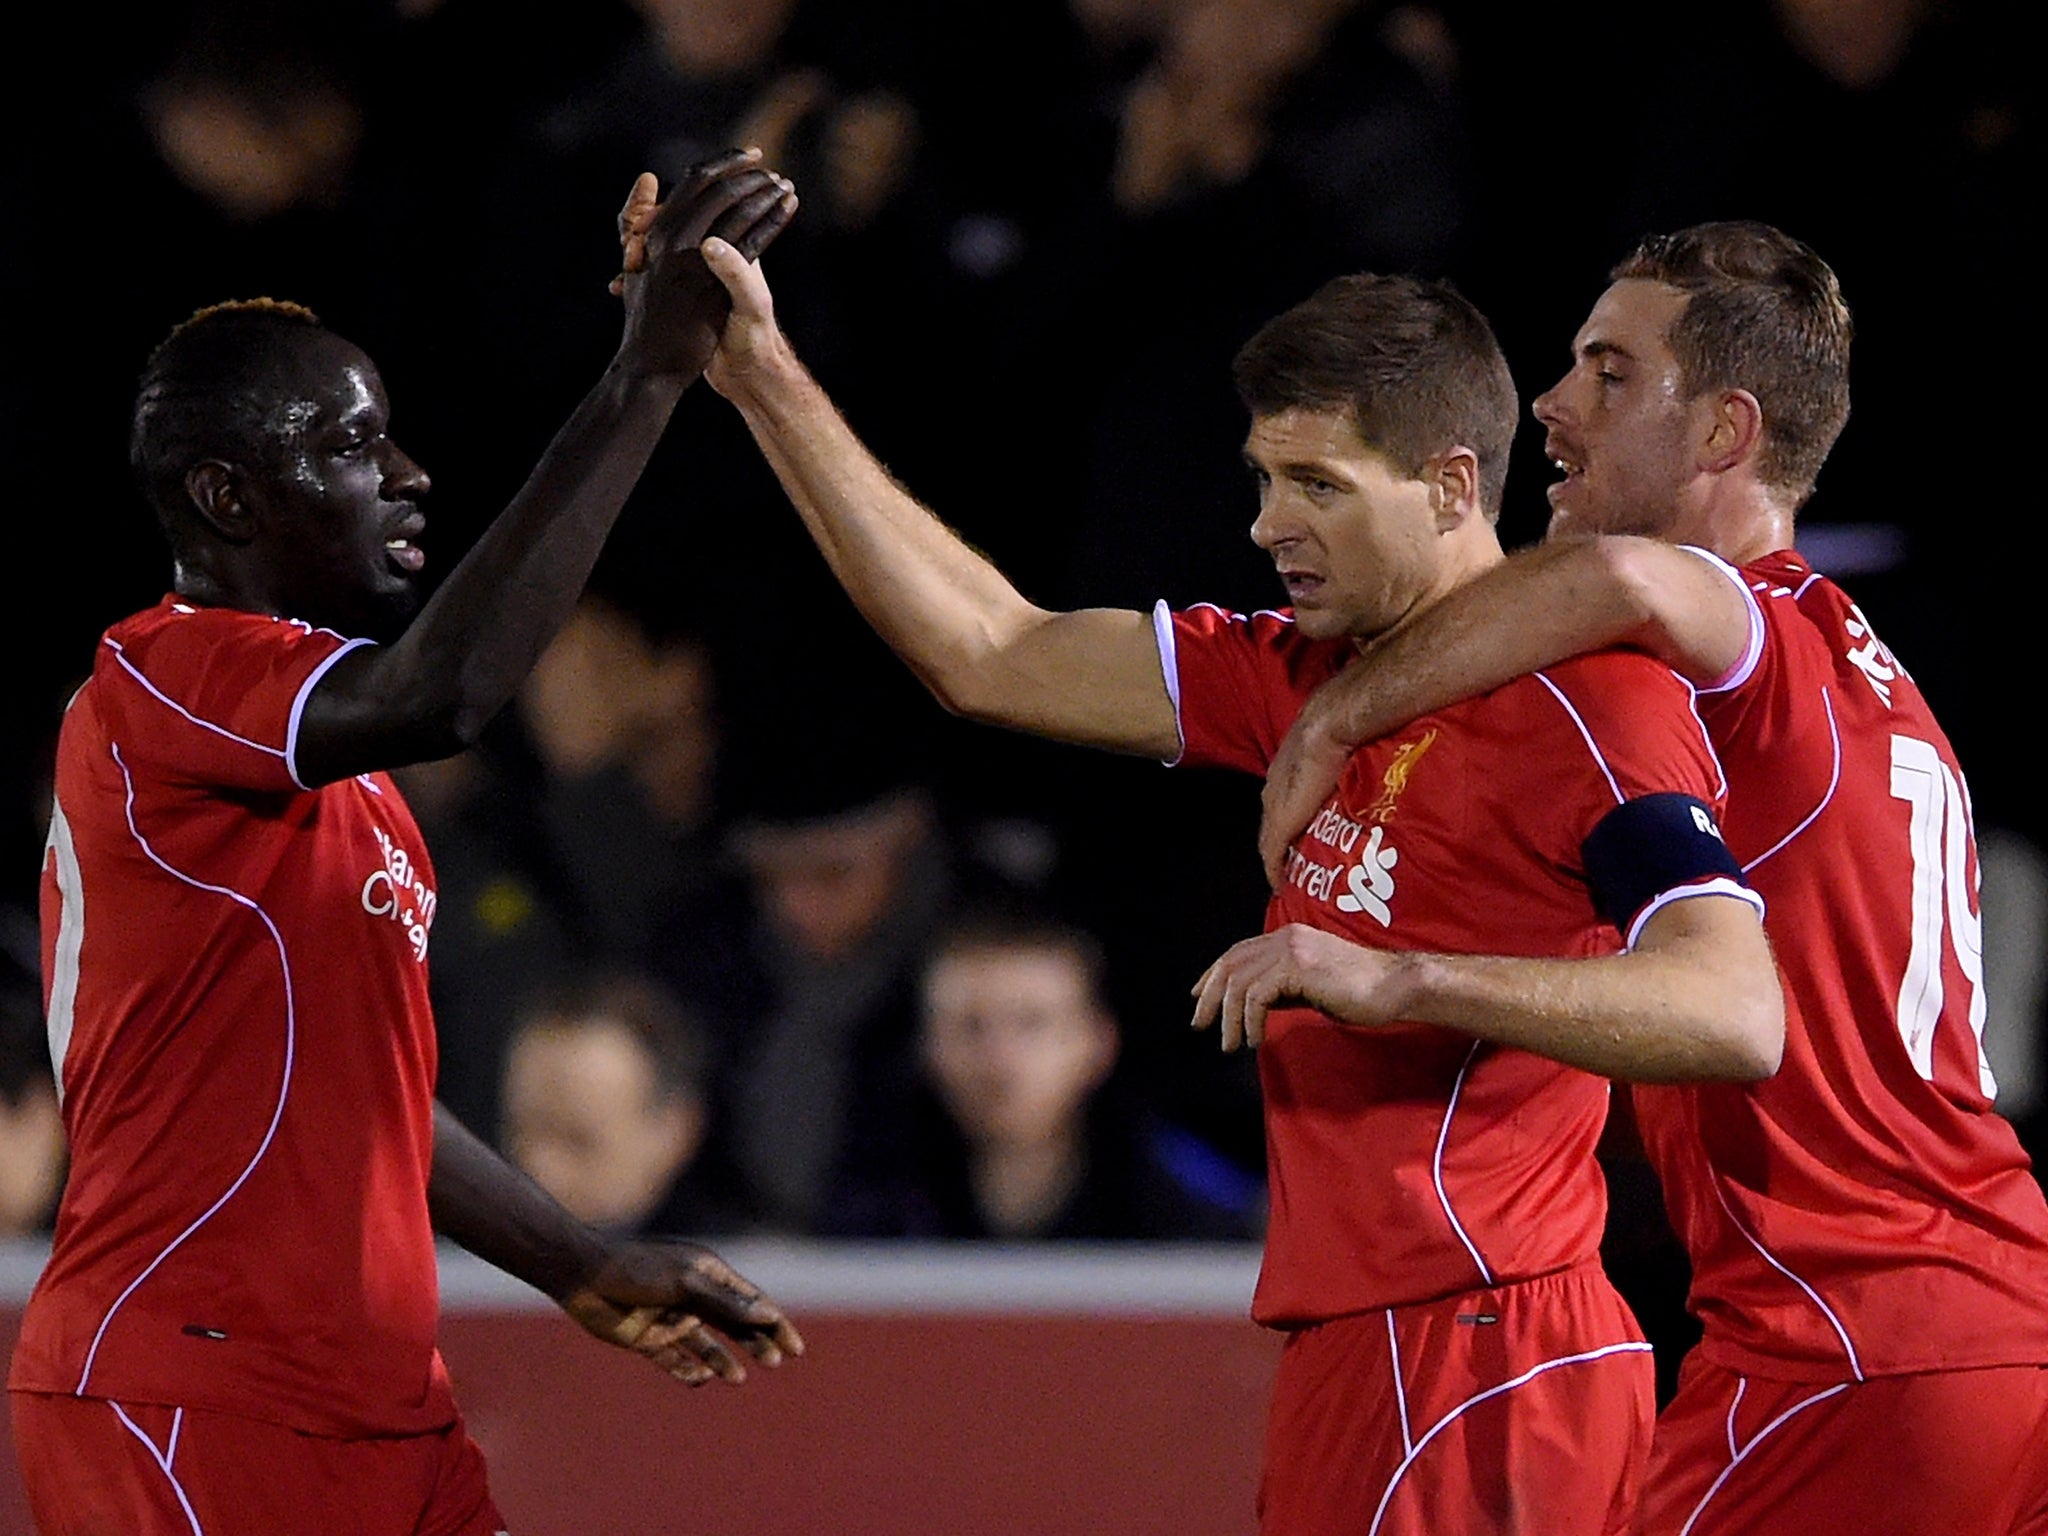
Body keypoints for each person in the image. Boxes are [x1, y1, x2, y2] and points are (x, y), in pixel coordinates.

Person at [657, 193, 1787, 1532]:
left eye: (1318, 485)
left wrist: (1398, 978)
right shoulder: (1309, 681)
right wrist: (766, 382)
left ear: (1448, 485)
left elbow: (1732, 1007)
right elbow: (991, 653)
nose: (1267, 524)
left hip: (1490, 1359)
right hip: (1365, 1356)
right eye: (1264, 477)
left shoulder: (1588, 707)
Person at [9, 152, 805, 1536]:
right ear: (227, 501)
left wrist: (579, 1264)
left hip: (382, 1404)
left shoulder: (348, 789)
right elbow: (445, 692)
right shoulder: (159, 678)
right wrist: (644, 378)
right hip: (188, 1392)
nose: (408, 474)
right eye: (349, 445)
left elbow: (366, 1091)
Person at [1249, 221, 2048, 1534]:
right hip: (1993, 1321)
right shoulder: (1886, 691)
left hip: (1843, 1347)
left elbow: (1619, 574)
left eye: (1611, 374)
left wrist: (1337, 718)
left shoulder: (1762, 630)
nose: (1557, 407)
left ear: (1728, 435)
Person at [827, 900, 1263, 1241]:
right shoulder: (871, 1205)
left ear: (1097, 1044)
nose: (999, 1059)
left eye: (1032, 1023)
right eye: (969, 1027)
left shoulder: (1186, 1206)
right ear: (928, 1047)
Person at [499, 968, 756, 1239]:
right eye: (521, 1132)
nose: (540, 1171)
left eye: (578, 1141)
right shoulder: (460, 1261)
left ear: (675, 1130)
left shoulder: (750, 1271)